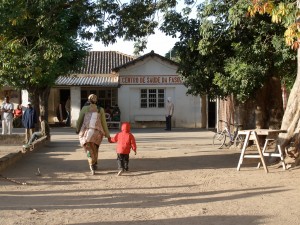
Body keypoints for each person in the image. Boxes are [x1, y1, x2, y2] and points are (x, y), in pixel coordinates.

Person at [76, 94, 111, 175]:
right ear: (96, 100)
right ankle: (95, 163)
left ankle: (91, 164)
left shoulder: (85, 108)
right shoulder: (100, 109)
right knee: (95, 148)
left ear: (88, 100)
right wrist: (107, 135)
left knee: (88, 148)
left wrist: (77, 129)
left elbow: (79, 120)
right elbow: (104, 123)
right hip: (97, 134)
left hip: (86, 133)